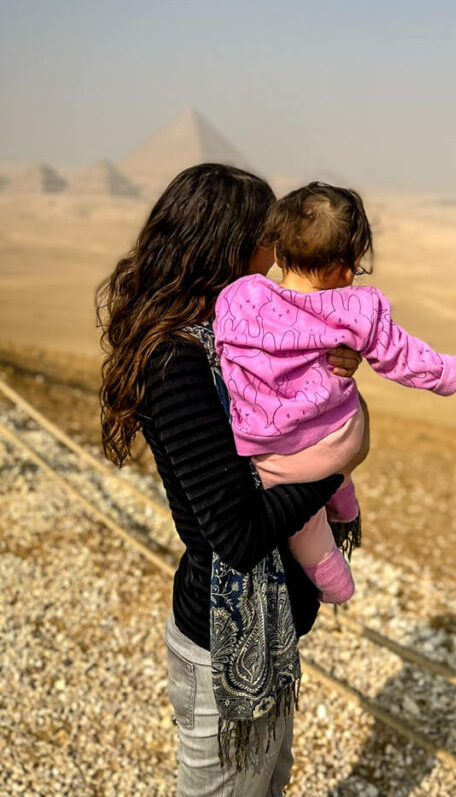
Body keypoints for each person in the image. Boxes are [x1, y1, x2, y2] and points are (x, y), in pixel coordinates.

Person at [97, 164, 367, 797]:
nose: (278, 259)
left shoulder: (232, 340)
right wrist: (337, 463)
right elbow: (237, 536)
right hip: (224, 649)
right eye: (267, 240)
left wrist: (336, 381)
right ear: (228, 244)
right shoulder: (177, 363)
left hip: (267, 635)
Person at [213, 182, 456, 605]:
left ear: (278, 250)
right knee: (341, 418)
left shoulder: (238, 296)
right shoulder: (356, 308)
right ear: (347, 268)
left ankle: (335, 586)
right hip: (339, 441)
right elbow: (403, 356)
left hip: (270, 459)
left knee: (306, 528)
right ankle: (343, 499)